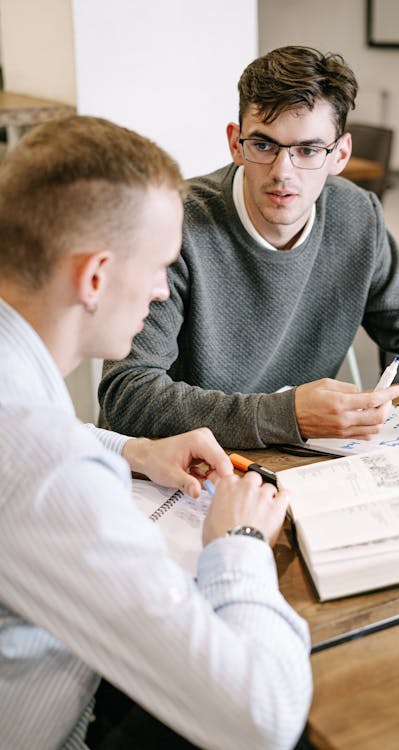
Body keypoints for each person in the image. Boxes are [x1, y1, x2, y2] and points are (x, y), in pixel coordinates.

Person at [0, 116, 312, 750]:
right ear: (93, 278)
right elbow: (262, 718)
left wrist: (133, 449)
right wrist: (241, 541)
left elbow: (41, 433)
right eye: (158, 267)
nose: (162, 289)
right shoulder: (42, 467)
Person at [99, 45, 399, 449]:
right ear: (235, 143)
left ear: (340, 154)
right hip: (186, 470)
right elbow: (127, 396)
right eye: (263, 145)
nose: (282, 173)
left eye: (308, 150)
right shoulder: (173, 226)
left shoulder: (357, 214)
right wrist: (287, 414)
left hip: (300, 461)